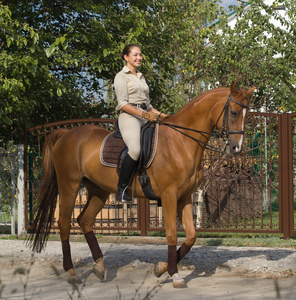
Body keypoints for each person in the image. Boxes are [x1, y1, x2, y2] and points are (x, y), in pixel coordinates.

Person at [114, 44, 168, 203]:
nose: (139, 58)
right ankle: (122, 189)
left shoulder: (141, 76)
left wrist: (164, 116)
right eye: (135, 55)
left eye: (140, 55)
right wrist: (144, 114)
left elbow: (149, 105)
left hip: (147, 114)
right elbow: (123, 104)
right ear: (126, 57)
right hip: (129, 116)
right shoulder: (121, 76)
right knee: (136, 150)